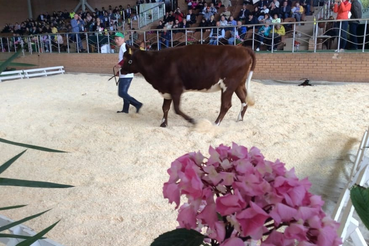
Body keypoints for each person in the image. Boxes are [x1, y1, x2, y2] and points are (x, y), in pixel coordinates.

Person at [114, 32, 143, 114]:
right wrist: (119, 71)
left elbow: (129, 57)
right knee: (124, 93)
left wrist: (120, 64)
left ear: (123, 39)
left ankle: (137, 104)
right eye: (115, 39)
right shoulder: (123, 47)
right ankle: (125, 109)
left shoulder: (124, 46)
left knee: (121, 93)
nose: (116, 41)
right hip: (125, 73)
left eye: (118, 39)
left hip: (127, 74)